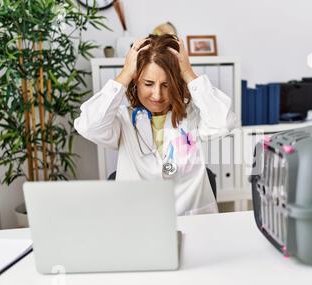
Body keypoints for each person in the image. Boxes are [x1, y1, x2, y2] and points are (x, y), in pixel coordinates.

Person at [74, 34, 236, 215]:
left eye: (166, 85)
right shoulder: (122, 120)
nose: (157, 95)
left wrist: (188, 73)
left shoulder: (192, 115)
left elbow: (224, 121)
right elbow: (88, 126)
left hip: (193, 220)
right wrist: (126, 73)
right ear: (136, 81)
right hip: (138, 222)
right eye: (149, 83)